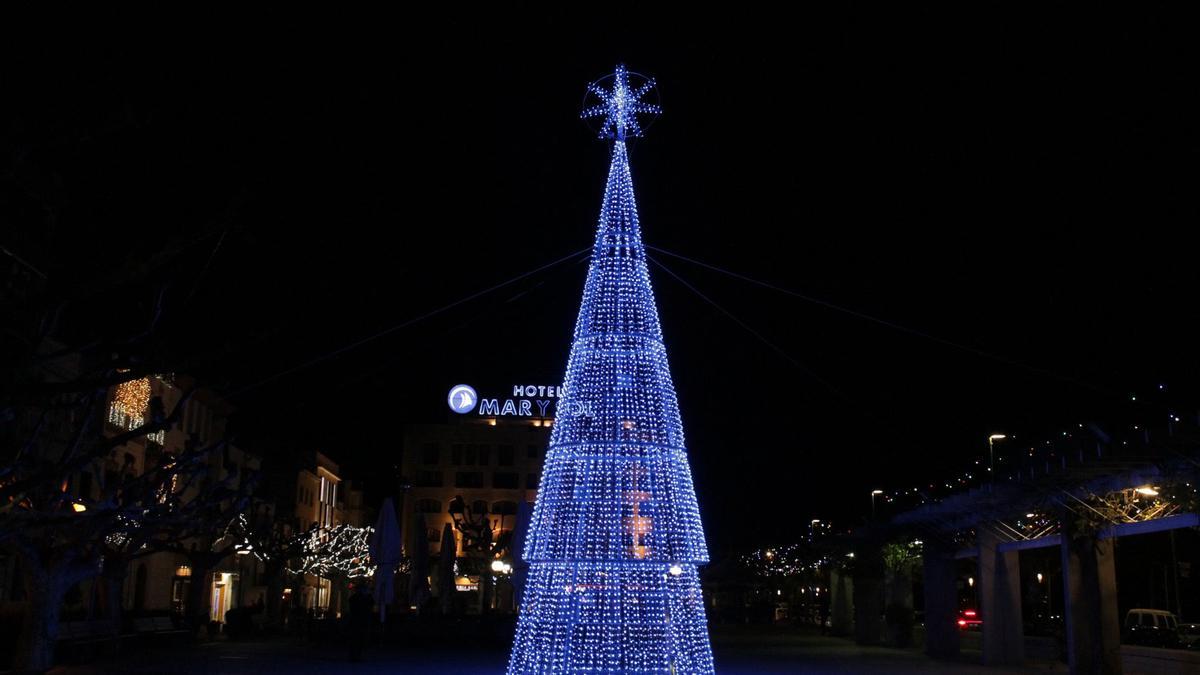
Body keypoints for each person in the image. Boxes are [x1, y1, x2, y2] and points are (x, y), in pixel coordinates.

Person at [347, 582, 373, 662]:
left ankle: (355, 655)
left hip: (356, 621)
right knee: (360, 638)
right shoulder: (365, 599)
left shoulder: (354, 598)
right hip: (361, 621)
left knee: (356, 639)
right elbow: (370, 604)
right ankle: (357, 655)